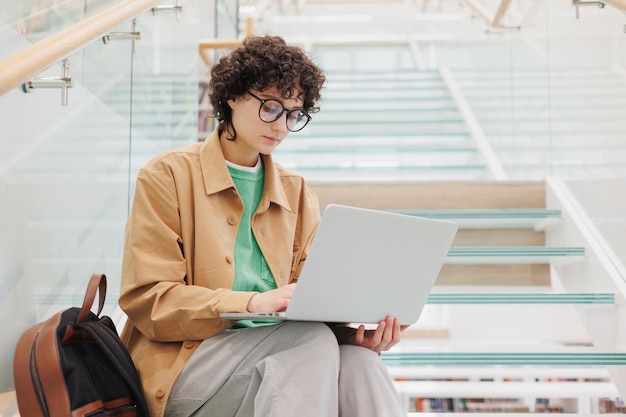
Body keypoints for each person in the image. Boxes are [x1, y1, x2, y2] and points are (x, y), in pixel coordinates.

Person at [119, 35, 408, 417]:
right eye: (271, 107)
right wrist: (252, 303)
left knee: (361, 363)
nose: (282, 126)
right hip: (186, 366)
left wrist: (354, 335)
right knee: (309, 341)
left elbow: (308, 307)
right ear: (234, 95)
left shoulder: (298, 193)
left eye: (294, 114)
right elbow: (150, 300)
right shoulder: (168, 175)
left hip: (282, 360)